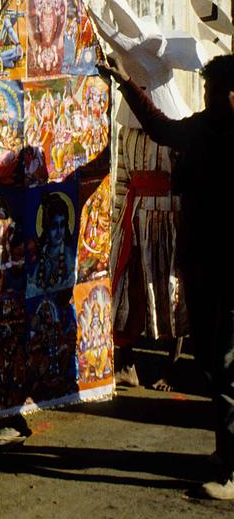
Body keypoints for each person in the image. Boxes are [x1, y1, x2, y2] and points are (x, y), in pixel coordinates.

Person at [100, 52, 234, 500]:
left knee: (229, 368)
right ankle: (225, 454)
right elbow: (161, 127)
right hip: (201, 264)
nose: (214, 98)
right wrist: (125, 85)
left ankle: (231, 472)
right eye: (211, 90)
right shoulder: (202, 128)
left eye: (220, 90)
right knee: (215, 365)